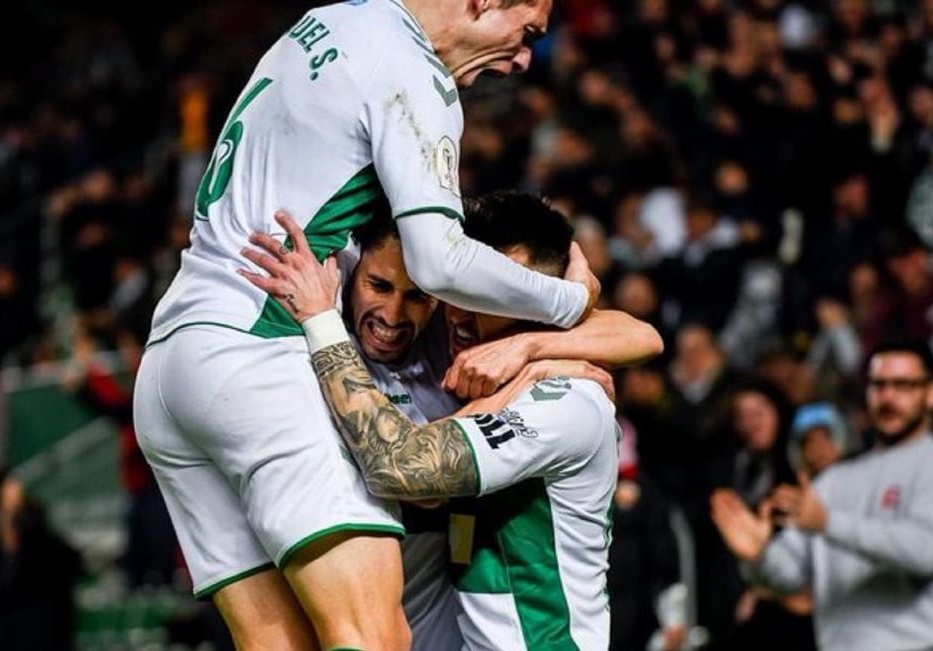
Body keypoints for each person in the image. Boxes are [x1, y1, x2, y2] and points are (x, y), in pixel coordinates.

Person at [134, 0, 602, 648]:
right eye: (526, 32)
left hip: (170, 362)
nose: (525, 58)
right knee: (373, 636)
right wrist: (563, 301)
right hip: (257, 348)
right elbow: (439, 257)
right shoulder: (414, 68)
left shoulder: (328, 20)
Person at [242, 193, 658, 650]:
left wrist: (533, 348)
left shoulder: (562, 399)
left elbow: (403, 466)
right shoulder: (461, 353)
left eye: (486, 298)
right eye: (457, 293)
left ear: (539, 304)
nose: (457, 312)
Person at [711, 341, 933, 650]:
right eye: (879, 385)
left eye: (903, 385)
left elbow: (925, 550)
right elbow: (788, 574)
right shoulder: (834, 480)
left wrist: (829, 523)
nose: (888, 397)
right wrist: (758, 556)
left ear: (930, 392)